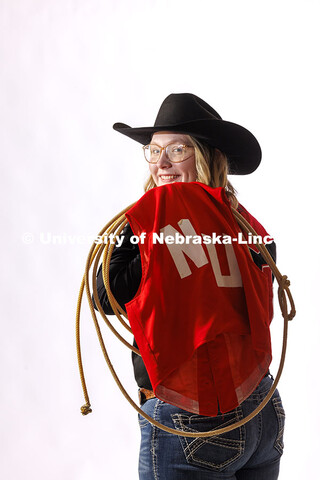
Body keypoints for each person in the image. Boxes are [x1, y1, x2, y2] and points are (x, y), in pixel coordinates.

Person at [95, 93, 285, 479]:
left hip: (188, 418)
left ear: (205, 157)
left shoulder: (150, 228)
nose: (160, 163)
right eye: (153, 150)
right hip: (262, 408)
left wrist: (148, 223)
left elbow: (106, 294)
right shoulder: (246, 226)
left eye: (177, 149)